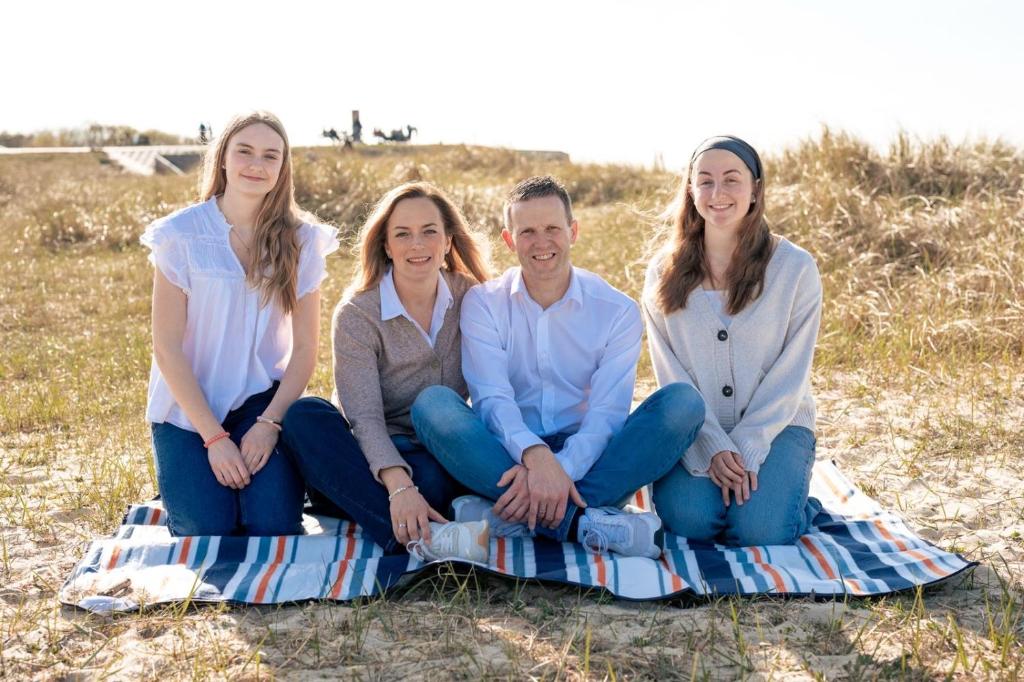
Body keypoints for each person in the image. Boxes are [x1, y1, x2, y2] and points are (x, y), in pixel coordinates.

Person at [411, 176, 705, 559]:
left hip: (588, 456)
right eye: (527, 231)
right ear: (509, 240)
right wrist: (535, 458)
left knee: (684, 404)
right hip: (505, 456)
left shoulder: (616, 311)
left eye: (552, 228)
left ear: (573, 231)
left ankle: (510, 516)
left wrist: (561, 470)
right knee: (432, 405)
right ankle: (584, 524)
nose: (541, 241)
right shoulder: (484, 304)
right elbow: (492, 400)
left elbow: (606, 415)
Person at [142, 111, 338, 537]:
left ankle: (268, 484)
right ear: (224, 159)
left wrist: (269, 426)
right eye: (244, 152)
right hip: (188, 409)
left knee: (273, 526)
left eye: (271, 156)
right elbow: (166, 348)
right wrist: (214, 440)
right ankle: (189, 479)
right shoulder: (181, 235)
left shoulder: (303, 240)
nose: (256, 164)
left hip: (259, 403)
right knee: (205, 529)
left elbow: (305, 351)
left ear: (283, 168)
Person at [278, 182, 493, 562]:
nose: (417, 245)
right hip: (368, 450)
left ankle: (400, 516)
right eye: (402, 234)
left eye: (429, 231)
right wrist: (397, 485)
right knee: (304, 416)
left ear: (447, 241)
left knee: (429, 482)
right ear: (386, 246)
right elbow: (363, 418)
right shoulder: (358, 314)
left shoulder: (471, 296)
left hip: (434, 450)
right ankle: (418, 539)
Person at [642, 135, 823, 546]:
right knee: (690, 522)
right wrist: (711, 444)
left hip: (776, 425)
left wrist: (744, 447)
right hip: (696, 428)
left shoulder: (794, 268)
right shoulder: (662, 272)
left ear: (755, 188)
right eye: (704, 181)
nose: (717, 193)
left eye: (731, 180)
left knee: (758, 531)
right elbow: (670, 374)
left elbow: (790, 375)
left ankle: (796, 504)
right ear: (690, 190)